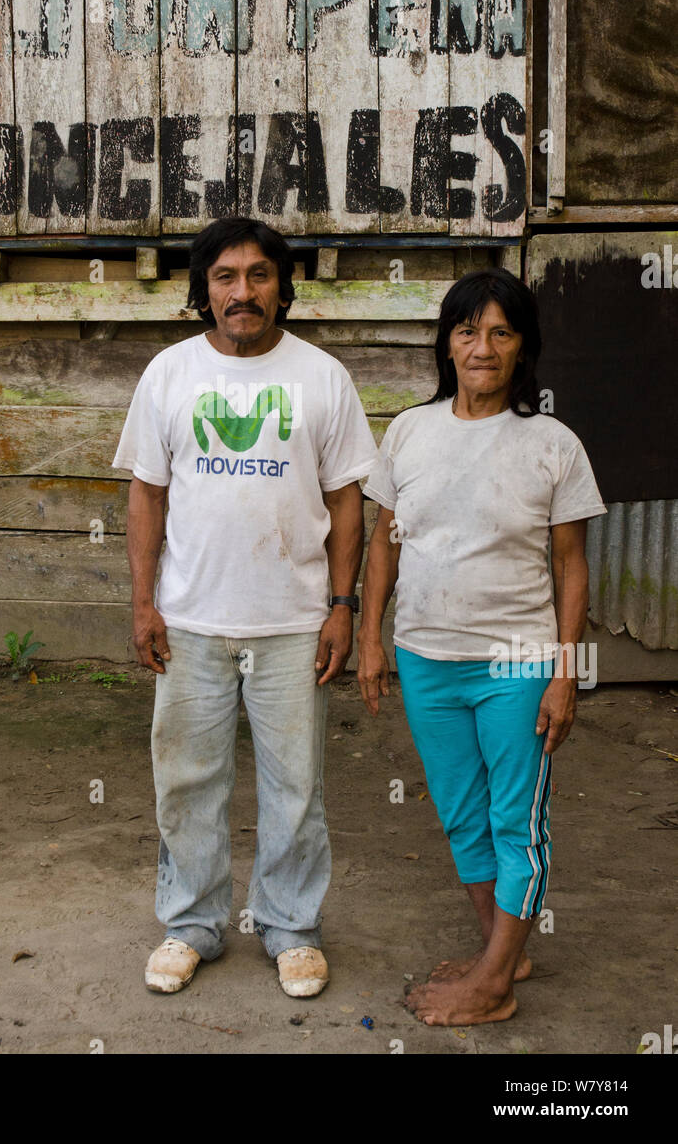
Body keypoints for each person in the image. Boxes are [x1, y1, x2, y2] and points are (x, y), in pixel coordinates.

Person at [113, 218, 377, 998]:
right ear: (204, 291)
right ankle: (192, 922)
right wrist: (142, 603)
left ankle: (290, 927)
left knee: (296, 785)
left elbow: (346, 502)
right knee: (188, 779)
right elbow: (146, 495)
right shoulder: (169, 373)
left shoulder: (321, 376)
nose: (242, 291)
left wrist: (342, 608)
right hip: (191, 617)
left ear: (282, 287)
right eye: (225, 277)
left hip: (294, 622)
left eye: (260, 276)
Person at [357, 268, 607, 1026]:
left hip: (517, 664)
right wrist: (371, 638)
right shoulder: (409, 430)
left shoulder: (551, 444)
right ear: (448, 343)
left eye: (501, 331)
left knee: (514, 820)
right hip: (427, 656)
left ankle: (493, 984)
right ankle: (507, 950)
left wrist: (564, 674)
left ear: (523, 347)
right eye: (468, 331)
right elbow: (385, 545)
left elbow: (570, 566)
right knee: (462, 815)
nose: (482, 346)